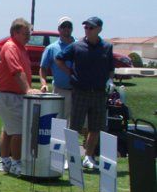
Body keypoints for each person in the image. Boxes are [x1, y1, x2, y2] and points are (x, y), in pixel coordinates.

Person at [56, 16, 114, 169]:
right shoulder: (77, 46)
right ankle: (71, 157)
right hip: (80, 91)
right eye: (86, 27)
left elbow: (110, 68)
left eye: (91, 28)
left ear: (99, 29)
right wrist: (70, 72)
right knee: (75, 126)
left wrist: (110, 81)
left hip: (99, 93)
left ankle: (88, 157)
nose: (87, 30)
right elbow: (59, 59)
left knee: (95, 127)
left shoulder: (107, 47)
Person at [0, 18, 41, 176]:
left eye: (29, 34)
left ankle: (5, 161)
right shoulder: (11, 47)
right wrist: (28, 89)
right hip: (8, 95)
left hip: (13, 95)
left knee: (8, 129)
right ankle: (16, 163)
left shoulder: (21, 48)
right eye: (25, 33)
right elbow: (16, 70)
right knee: (19, 131)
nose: (28, 37)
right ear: (15, 33)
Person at [39, 16, 75, 121]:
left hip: (77, 91)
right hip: (60, 91)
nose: (66, 29)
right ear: (59, 29)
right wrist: (44, 84)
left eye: (69, 26)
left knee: (76, 123)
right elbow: (43, 68)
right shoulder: (51, 48)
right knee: (59, 121)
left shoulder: (79, 46)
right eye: (63, 26)